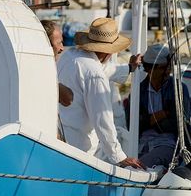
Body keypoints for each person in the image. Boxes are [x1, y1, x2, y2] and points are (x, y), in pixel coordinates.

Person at [57, 17, 143, 168]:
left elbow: (102, 70)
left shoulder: (69, 56)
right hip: (82, 149)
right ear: (109, 52)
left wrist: (129, 68)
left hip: (60, 138)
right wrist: (119, 156)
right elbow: (102, 118)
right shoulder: (94, 74)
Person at [126, 44, 191, 168]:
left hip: (169, 144)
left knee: (140, 166)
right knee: (128, 164)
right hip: (142, 144)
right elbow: (131, 124)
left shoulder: (179, 89)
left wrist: (149, 120)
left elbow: (180, 123)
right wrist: (162, 114)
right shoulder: (138, 91)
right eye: (163, 68)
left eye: (169, 67)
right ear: (150, 69)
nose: (167, 71)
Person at [41, 20, 73, 107]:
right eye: (59, 43)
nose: (62, 48)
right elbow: (68, 99)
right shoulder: (40, 70)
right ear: (46, 44)